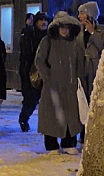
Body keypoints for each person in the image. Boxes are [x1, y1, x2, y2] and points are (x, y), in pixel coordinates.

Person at [35, 12, 85, 154]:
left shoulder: (75, 43)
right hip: (53, 86)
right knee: (52, 115)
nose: (64, 30)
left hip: (70, 86)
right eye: (62, 27)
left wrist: (78, 81)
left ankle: (69, 143)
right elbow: (39, 61)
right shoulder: (47, 41)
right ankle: (51, 145)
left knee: (71, 115)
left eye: (67, 27)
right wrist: (47, 77)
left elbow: (79, 63)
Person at [18, 12, 48, 132]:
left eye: (45, 20)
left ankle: (46, 124)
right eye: (41, 20)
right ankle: (24, 119)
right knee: (31, 99)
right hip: (31, 70)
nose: (44, 22)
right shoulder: (30, 34)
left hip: (46, 70)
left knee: (46, 100)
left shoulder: (49, 36)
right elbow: (26, 53)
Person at [77, 2, 104, 102]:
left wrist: (92, 32)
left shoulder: (103, 30)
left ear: (89, 14)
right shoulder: (79, 31)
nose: (79, 16)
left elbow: (103, 48)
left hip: (96, 67)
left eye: (82, 13)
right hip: (82, 68)